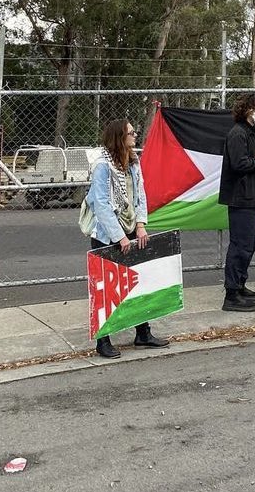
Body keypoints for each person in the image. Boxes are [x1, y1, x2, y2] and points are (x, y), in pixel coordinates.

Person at [81, 118, 169, 359]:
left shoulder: (132, 161)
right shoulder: (103, 166)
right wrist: (120, 237)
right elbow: (101, 205)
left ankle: (143, 332)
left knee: (138, 280)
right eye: (131, 132)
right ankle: (103, 340)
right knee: (106, 287)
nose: (134, 136)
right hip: (108, 233)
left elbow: (140, 193)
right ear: (119, 137)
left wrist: (140, 225)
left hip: (130, 227)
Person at [219, 93, 255, 312]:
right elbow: (239, 164)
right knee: (240, 245)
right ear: (249, 110)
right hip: (241, 198)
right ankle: (231, 294)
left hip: (253, 195)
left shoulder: (250, 132)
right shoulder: (237, 133)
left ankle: (240, 285)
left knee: (251, 244)